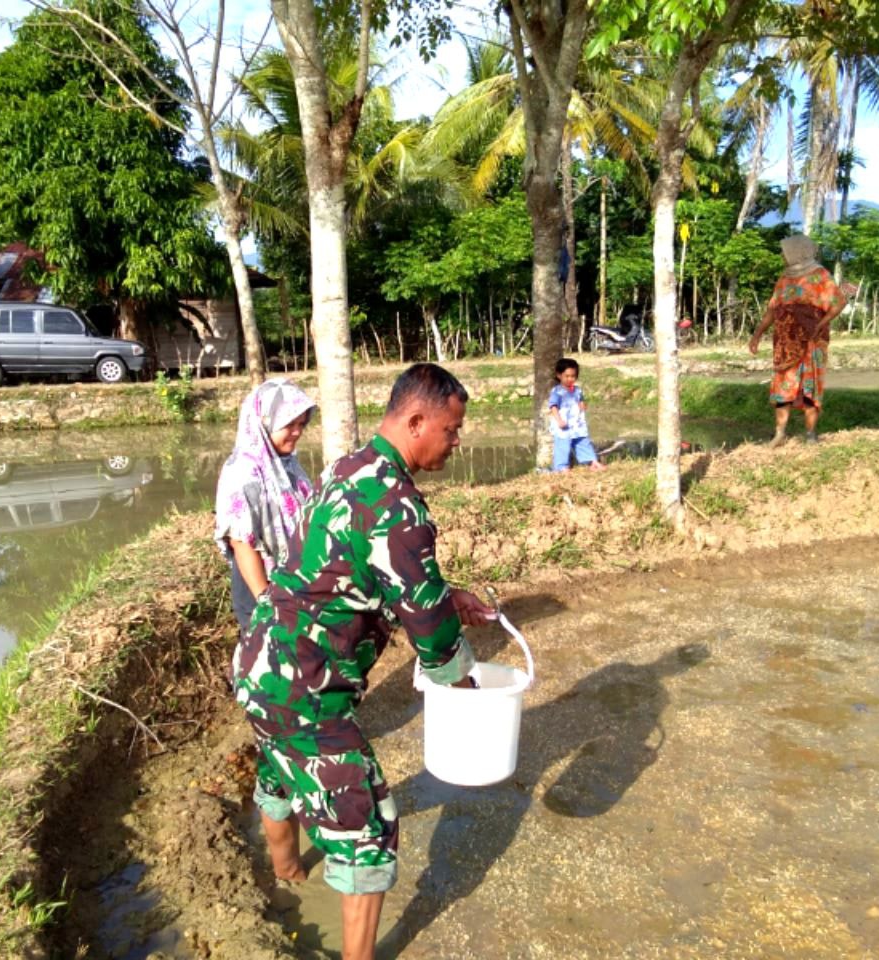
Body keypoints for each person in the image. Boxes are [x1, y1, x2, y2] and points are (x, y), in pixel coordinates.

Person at [233, 363, 494, 960]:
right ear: (417, 421)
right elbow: (434, 640)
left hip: (258, 661)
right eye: (452, 429)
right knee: (367, 832)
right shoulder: (399, 506)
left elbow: (355, 568)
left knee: (280, 771)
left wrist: (448, 596)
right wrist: (470, 694)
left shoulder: (348, 467)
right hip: (305, 690)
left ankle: (287, 876)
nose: (456, 441)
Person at [214, 379, 316, 632]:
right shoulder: (243, 472)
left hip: (293, 582)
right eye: (289, 425)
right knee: (267, 650)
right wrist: (266, 603)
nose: (297, 432)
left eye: (301, 424)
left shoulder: (287, 463)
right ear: (264, 423)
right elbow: (242, 542)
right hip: (260, 587)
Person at [748, 234, 848, 446]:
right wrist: (757, 335)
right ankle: (779, 434)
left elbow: (838, 302)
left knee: (809, 386)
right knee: (783, 386)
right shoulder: (784, 279)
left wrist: (821, 324)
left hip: (811, 342)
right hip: (785, 343)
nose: (782, 256)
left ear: (797, 252)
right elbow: (772, 311)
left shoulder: (820, 275)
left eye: (785, 252)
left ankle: (810, 435)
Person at [547, 357, 605, 471]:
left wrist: (583, 406)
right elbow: (553, 406)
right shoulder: (557, 391)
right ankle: (561, 467)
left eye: (573, 376)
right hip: (564, 424)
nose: (570, 379)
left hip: (577, 424)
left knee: (583, 442)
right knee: (562, 445)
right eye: (567, 376)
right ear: (559, 375)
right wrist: (559, 420)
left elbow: (580, 401)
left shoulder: (577, 390)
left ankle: (592, 462)